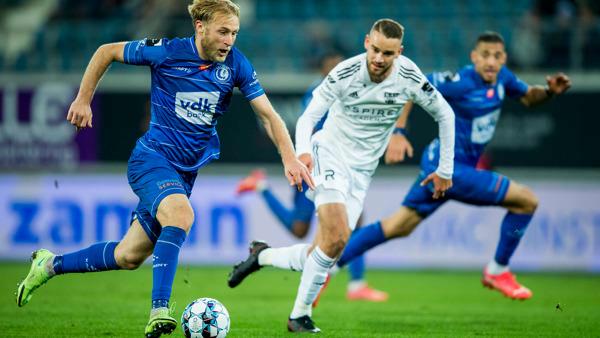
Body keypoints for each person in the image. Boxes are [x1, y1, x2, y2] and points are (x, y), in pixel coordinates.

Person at [15, 1, 313, 337]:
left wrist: (289, 157)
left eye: (234, 33)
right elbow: (105, 51)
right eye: (223, 32)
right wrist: (83, 98)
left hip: (183, 175)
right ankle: (159, 309)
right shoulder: (166, 52)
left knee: (128, 256)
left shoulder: (236, 65)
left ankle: (50, 264)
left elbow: (269, 116)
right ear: (200, 26)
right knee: (181, 216)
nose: (230, 40)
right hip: (151, 161)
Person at [228, 19, 455, 333]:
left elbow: (445, 114)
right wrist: (304, 152)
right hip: (329, 153)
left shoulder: (409, 76)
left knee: (327, 249)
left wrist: (445, 170)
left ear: (399, 52)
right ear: (366, 43)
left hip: (361, 173)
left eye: (387, 53)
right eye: (375, 50)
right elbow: (309, 116)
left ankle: (262, 256)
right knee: (334, 237)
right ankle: (299, 316)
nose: (378, 58)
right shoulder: (346, 73)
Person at [334, 31, 572, 301]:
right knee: (526, 201)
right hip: (449, 169)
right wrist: (398, 132)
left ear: (504, 59)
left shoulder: (504, 79)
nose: (491, 62)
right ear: (474, 57)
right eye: (485, 55)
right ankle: (497, 269)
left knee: (397, 226)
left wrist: (550, 92)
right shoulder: (460, 81)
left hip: (444, 168)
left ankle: (326, 269)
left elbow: (529, 97)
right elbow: (413, 87)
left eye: (497, 56)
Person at [235, 51, 388, 303]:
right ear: (323, 70)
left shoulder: (350, 89)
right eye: (331, 65)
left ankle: (350, 282)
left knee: (351, 220)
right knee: (301, 228)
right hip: (315, 166)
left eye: (340, 64)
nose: (337, 68)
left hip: (335, 168)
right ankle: (261, 187)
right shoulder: (318, 93)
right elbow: (311, 126)